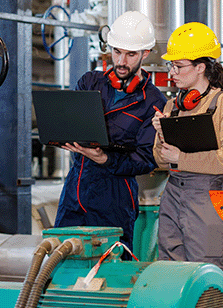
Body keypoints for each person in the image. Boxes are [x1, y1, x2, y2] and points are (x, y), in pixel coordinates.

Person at [54, 11, 166, 252]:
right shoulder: (90, 82)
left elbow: (146, 159)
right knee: (62, 262)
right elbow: (70, 121)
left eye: (130, 54)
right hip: (76, 187)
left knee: (112, 267)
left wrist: (105, 158)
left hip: (114, 196)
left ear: (145, 54)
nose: (121, 61)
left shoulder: (153, 101)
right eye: (117, 51)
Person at [151, 22, 223, 281]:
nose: (172, 72)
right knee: (169, 269)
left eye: (178, 66)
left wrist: (182, 158)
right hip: (173, 192)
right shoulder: (174, 105)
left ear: (200, 67)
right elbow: (159, 160)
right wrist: (160, 135)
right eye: (171, 66)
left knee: (208, 270)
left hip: (207, 196)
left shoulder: (222, 102)